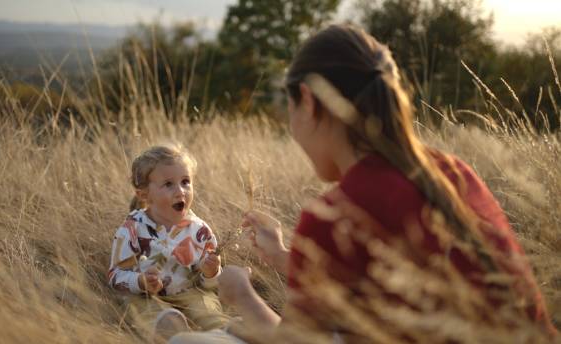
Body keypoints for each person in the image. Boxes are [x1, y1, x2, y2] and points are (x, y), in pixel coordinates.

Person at [169, 25, 556, 343]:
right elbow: (387, 283)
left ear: (307, 100)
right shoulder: (454, 171)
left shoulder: (337, 213)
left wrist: (244, 297)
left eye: (289, 110)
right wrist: (285, 256)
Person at [108, 144, 229, 342]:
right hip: (147, 295)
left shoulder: (199, 230)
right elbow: (115, 275)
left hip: (190, 292)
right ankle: (173, 333)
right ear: (144, 195)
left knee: (207, 309)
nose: (180, 191)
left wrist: (211, 273)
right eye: (168, 184)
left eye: (185, 182)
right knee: (148, 311)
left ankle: (222, 334)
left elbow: (209, 285)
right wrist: (140, 281)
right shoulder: (132, 228)